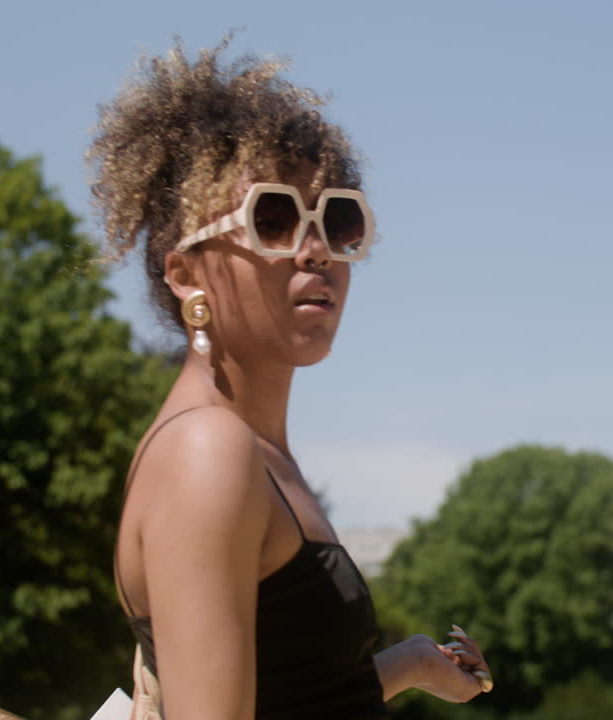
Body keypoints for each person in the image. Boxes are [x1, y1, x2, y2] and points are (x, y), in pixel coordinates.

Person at [87, 39, 493, 719]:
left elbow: (293, 693)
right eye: (272, 219)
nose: (315, 249)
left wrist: (412, 662)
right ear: (186, 271)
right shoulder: (206, 452)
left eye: (337, 220)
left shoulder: (255, 453)